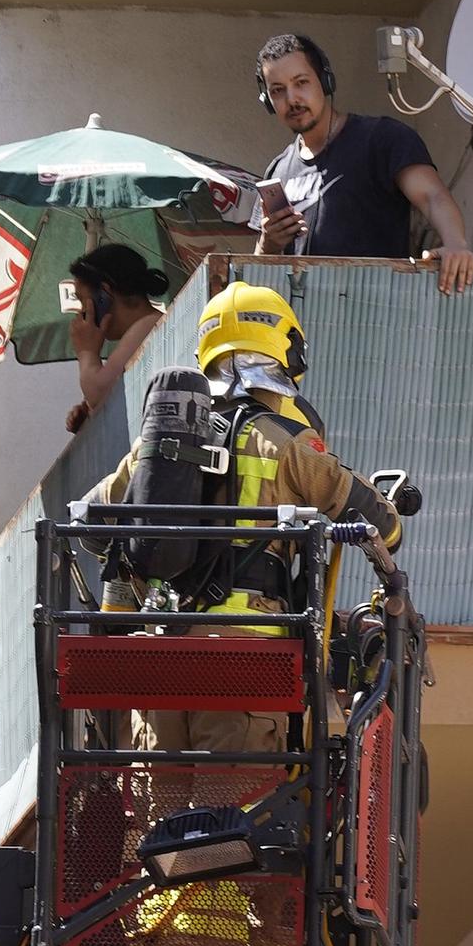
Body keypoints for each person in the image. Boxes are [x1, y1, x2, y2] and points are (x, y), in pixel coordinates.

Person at [90, 279, 403, 757]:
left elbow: (93, 522)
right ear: (287, 352)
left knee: (161, 817)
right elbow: (385, 528)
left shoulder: (157, 446)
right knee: (235, 813)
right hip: (244, 651)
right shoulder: (287, 442)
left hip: (161, 649)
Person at [252, 31, 473, 295]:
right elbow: (259, 270)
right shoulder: (277, 171)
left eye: (301, 82)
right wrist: (269, 244)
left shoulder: (381, 139)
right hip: (304, 326)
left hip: (375, 317)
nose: (291, 99)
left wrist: (455, 244)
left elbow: (432, 196)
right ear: (268, 100)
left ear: (325, 82)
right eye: (278, 91)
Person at [64, 244, 169, 434]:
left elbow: (98, 390)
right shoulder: (146, 327)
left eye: (82, 300)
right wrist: (90, 413)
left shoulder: (148, 325)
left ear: (104, 294)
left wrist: (86, 351)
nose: (81, 312)